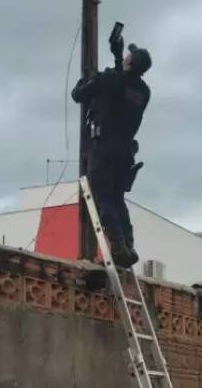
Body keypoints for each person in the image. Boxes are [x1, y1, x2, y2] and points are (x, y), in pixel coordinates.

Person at [71, 33, 152, 268]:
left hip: (104, 148)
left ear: (129, 63)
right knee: (118, 199)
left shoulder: (109, 81)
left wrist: (87, 79)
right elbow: (122, 84)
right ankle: (128, 243)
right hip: (126, 152)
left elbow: (79, 95)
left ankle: (117, 244)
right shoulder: (144, 91)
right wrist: (118, 58)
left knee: (103, 197)